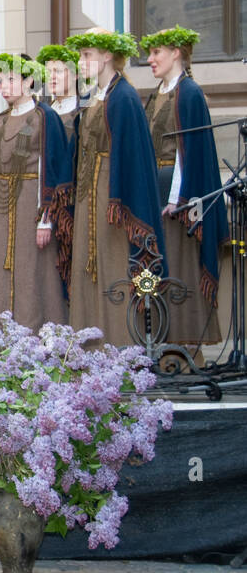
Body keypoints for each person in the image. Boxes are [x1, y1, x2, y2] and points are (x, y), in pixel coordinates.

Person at [65, 28, 166, 347]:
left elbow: (133, 155)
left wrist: (119, 202)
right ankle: (90, 348)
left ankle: (119, 349)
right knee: (88, 267)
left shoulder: (123, 97)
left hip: (111, 196)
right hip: (89, 196)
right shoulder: (98, 95)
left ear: (107, 56)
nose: (81, 62)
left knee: (112, 267)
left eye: (87, 56)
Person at [0, 54, 72, 336]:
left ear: (28, 81)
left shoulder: (44, 117)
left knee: (32, 271)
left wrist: (46, 217)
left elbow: (51, 167)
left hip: (30, 203)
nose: (4, 86)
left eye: (11, 80)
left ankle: (39, 336)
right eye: (1, 81)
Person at [139, 25, 227, 349]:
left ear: (176, 52)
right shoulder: (159, 93)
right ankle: (163, 344)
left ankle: (186, 347)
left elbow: (187, 150)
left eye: (156, 52)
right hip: (157, 191)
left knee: (180, 268)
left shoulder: (188, 93)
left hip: (178, 198)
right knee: (162, 269)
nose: (150, 59)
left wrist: (179, 198)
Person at [38, 44, 81, 133]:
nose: (52, 77)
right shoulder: (44, 112)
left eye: (58, 71)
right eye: (48, 72)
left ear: (75, 75)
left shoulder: (83, 111)